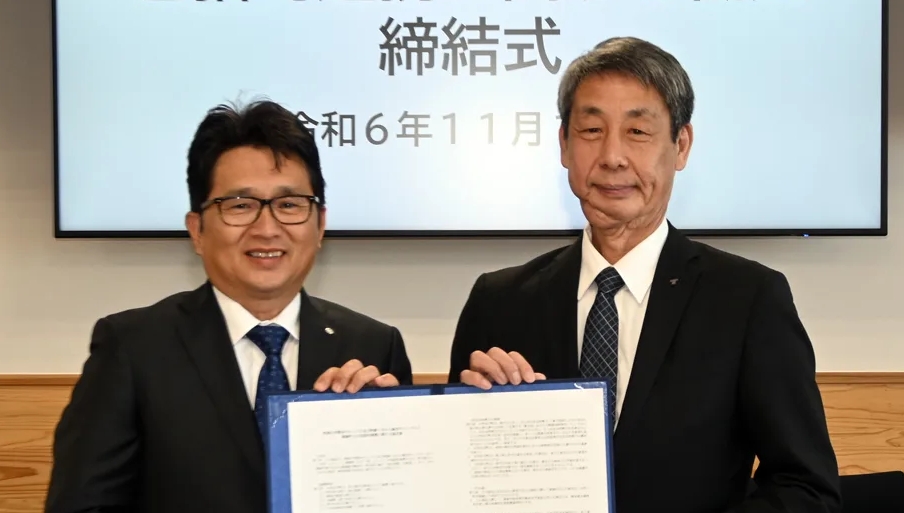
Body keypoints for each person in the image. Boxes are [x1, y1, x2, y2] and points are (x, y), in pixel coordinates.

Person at [448, 37, 842, 513]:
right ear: (564, 144)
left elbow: (806, 487)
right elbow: (455, 478)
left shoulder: (747, 299)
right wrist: (471, 419)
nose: (612, 156)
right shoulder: (499, 300)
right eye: (592, 129)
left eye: (637, 131)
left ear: (681, 145)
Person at [45, 100, 413, 513]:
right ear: (197, 230)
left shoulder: (373, 346)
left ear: (320, 224)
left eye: (289, 204)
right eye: (240, 205)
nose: (268, 228)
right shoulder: (133, 348)